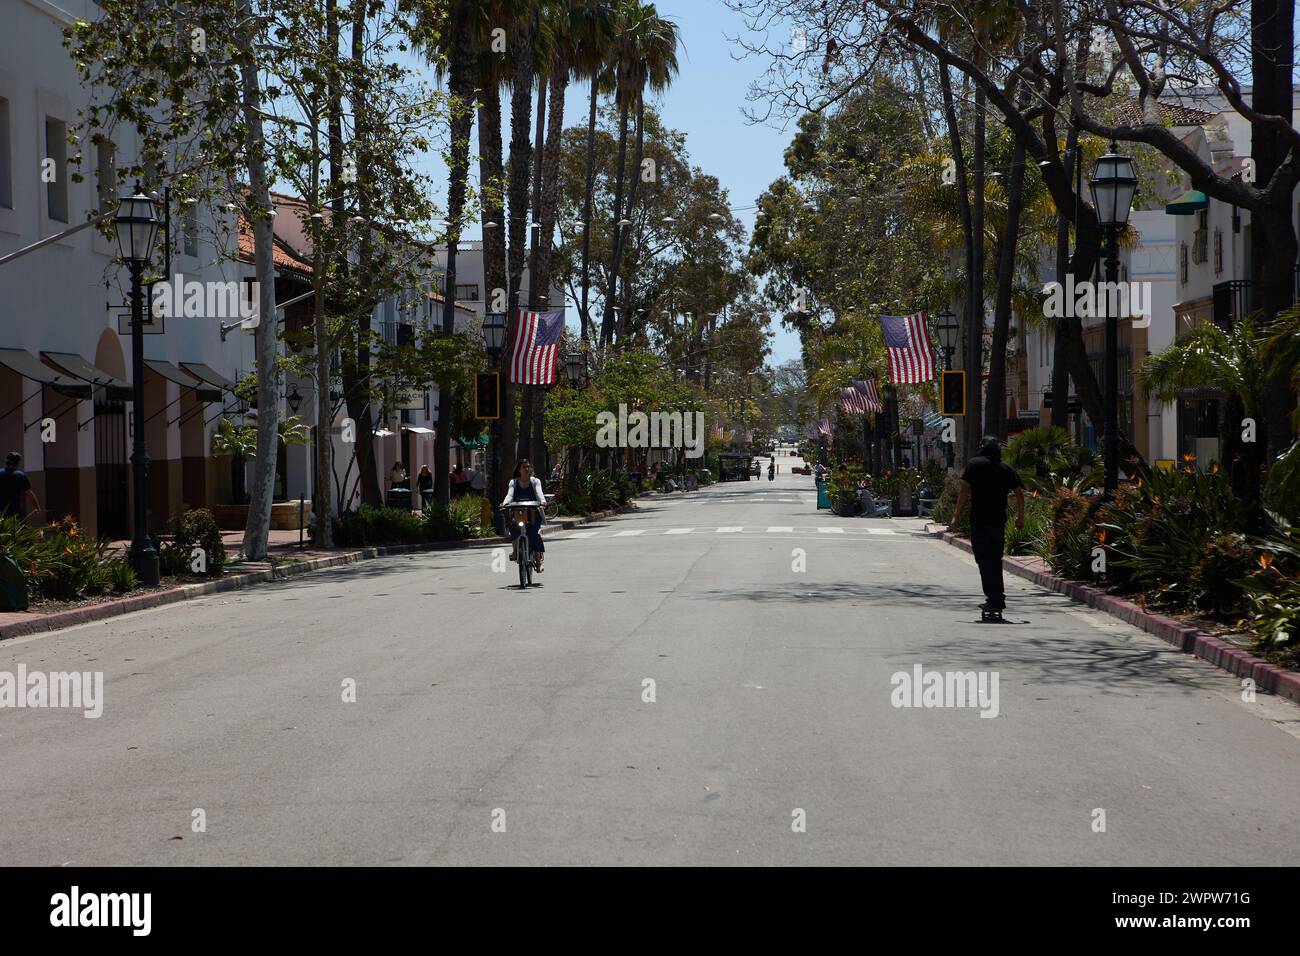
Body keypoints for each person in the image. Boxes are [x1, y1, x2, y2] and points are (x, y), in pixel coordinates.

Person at [953, 435, 1025, 615]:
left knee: (983, 562)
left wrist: (955, 516)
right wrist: (1020, 517)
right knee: (995, 560)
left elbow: (964, 492)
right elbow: (1019, 493)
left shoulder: (974, 465)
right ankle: (997, 598)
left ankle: (994, 599)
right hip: (998, 522)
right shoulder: (1006, 468)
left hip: (979, 521)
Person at [500, 458, 546, 572]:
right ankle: (515, 551)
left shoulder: (535, 481)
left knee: (533, 533)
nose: (526, 469)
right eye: (524, 467)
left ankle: (538, 560)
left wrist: (542, 501)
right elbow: (510, 495)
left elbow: (539, 493)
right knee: (513, 526)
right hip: (518, 512)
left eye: (528, 467)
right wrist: (505, 503)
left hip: (533, 512)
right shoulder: (513, 482)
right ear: (519, 470)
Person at [0, 453, 39, 522]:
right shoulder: (20, 475)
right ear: (17, 463)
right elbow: (29, 494)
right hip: (14, 511)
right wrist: (36, 507)